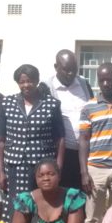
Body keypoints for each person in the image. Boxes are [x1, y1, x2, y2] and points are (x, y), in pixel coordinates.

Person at [0, 64, 65, 222]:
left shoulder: (51, 105)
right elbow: (1, 140)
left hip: (41, 166)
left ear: (37, 80)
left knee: (39, 205)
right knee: (15, 206)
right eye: (22, 81)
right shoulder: (7, 103)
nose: (26, 85)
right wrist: (0, 170)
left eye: (30, 81)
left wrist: (58, 167)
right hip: (14, 165)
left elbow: (60, 138)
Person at [78, 62, 112, 223]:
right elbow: (84, 140)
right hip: (95, 168)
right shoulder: (89, 107)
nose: (106, 83)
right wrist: (83, 172)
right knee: (92, 220)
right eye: (102, 79)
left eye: (110, 79)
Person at [43, 50, 93, 189]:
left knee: (84, 195)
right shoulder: (46, 87)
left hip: (86, 152)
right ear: (56, 67)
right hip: (62, 154)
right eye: (66, 70)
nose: (70, 73)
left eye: (73, 69)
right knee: (63, 195)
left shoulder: (83, 84)